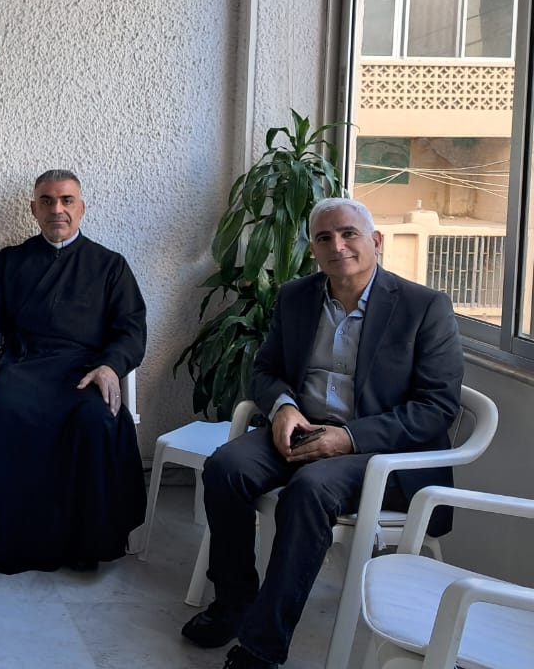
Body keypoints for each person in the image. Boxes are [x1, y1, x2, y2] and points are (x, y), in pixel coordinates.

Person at [181, 197, 464, 669]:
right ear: (313, 249)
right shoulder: (296, 297)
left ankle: (262, 645)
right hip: (302, 428)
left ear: (375, 241)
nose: (338, 245)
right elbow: (266, 370)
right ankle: (234, 602)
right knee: (225, 468)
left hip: (376, 449)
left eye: (349, 233)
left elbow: (436, 408)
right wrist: (284, 408)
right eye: (324, 237)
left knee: (310, 490)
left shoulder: (424, 307)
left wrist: (348, 438)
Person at [0, 169, 147, 573]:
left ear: (81, 208)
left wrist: (111, 367)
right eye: (47, 201)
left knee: (97, 418)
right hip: (23, 366)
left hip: (85, 372)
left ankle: (86, 546)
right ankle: (14, 547)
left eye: (66, 200)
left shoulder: (110, 265)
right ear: (34, 209)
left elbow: (131, 330)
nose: (57, 209)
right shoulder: (9, 261)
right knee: (2, 410)